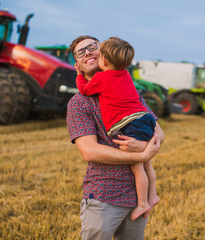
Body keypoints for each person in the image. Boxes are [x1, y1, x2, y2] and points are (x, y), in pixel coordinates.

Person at [67, 35, 164, 240]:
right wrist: (142, 154)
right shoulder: (78, 103)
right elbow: (89, 151)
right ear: (77, 65)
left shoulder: (129, 90)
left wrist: (141, 145)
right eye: (80, 52)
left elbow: (159, 133)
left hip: (136, 195)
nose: (88, 53)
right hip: (104, 196)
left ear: (103, 54)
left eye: (92, 47)